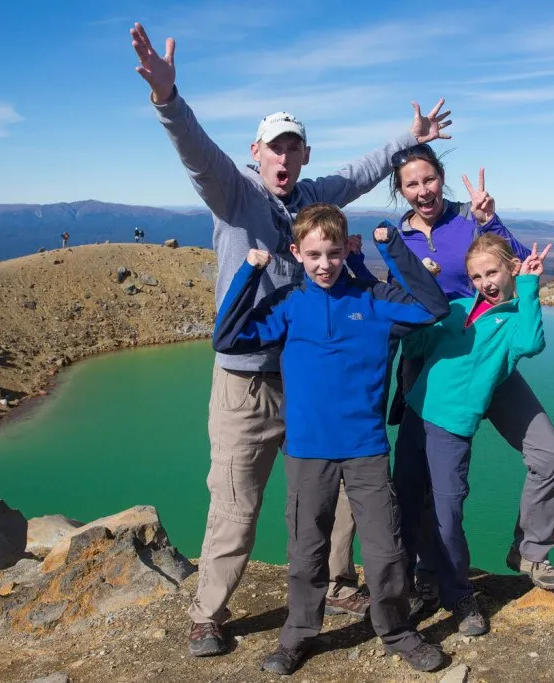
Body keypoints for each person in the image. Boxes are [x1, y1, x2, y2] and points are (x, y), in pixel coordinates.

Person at [129, 22, 452, 657]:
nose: (283, 158)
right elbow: (196, 150)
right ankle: (209, 613)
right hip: (248, 378)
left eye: (293, 148)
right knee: (236, 502)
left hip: (307, 379)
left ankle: (337, 584)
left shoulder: (309, 201)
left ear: (303, 155)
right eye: (274, 149)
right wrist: (169, 99)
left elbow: (360, 175)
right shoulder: (232, 191)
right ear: (256, 153)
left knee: (342, 496)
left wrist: (407, 142)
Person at [213, 204, 450, 675]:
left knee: (386, 551)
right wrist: (248, 270)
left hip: (365, 448)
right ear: (298, 253)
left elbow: (433, 307)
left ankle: (398, 632)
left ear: (346, 251)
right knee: (306, 552)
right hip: (307, 452)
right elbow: (227, 338)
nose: (325, 264)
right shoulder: (287, 303)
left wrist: (391, 247)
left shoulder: (373, 297)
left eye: (334, 253)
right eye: (315, 254)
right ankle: (298, 635)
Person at [387, 144, 554, 596]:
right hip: (436, 354)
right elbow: (397, 300)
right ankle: (426, 573)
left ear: (441, 178)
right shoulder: (398, 237)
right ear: (401, 190)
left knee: (549, 457)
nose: (422, 189)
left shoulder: (469, 218)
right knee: (424, 479)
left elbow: (522, 263)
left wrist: (489, 221)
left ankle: (531, 551)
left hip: (495, 354)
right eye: (412, 183)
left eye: (429, 179)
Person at [394, 235, 552, 636]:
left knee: (448, 518)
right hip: (416, 416)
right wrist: (419, 307)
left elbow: (533, 342)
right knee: (409, 510)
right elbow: (414, 344)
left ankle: (460, 596)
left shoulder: (515, 320)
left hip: (452, 431)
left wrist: (531, 285)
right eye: (476, 275)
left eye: (492, 272)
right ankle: (416, 584)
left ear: (510, 270)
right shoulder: (457, 308)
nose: (485, 281)